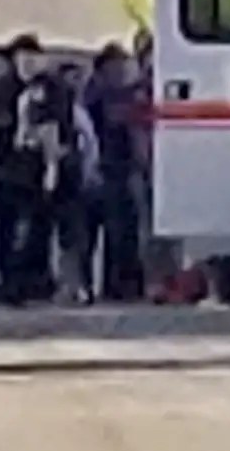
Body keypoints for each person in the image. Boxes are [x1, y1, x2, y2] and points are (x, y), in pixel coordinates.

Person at [0, 34, 51, 304]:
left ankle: (31, 280)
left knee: (33, 227)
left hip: (30, 168)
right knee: (14, 229)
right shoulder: (5, 89)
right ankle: (14, 282)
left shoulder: (44, 88)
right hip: (12, 169)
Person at [85, 41, 148, 302]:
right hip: (106, 168)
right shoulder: (98, 95)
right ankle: (113, 285)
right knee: (113, 230)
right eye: (117, 68)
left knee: (122, 231)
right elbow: (115, 118)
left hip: (119, 169)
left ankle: (120, 284)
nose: (121, 73)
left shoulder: (110, 93)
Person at [33, 54, 96, 304]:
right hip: (67, 179)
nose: (77, 84)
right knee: (70, 237)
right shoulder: (62, 113)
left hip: (76, 178)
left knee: (77, 238)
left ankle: (77, 285)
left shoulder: (78, 111)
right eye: (72, 79)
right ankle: (70, 285)